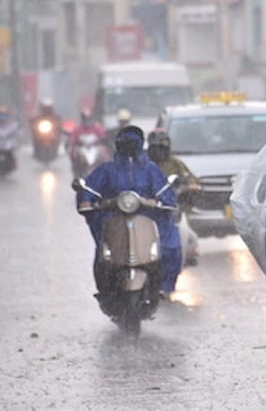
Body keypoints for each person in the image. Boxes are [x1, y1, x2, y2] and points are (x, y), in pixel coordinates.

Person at [76, 125, 182, 304]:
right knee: (104, 253)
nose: (129, 146)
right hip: (113, 217)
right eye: (126, 142)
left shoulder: (150, 169)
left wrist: (160, 202)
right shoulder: (108, 169)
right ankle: (105, 288)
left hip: (148, 216)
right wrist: (86, 201)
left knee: (170, 246)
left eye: (133, 142)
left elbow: (165, 192)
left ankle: (163, 284)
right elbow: (90, 188)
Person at [147, 128, 201, 268]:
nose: (160, 150)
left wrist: (188, 186)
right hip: (146, 210)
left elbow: (191, 180)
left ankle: (186, 255)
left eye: (163, 146)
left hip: (170, 210)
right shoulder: (142, 164)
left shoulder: (176, 164)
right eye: (156, 146)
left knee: (189, 237)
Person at [66, 108, 108, 176]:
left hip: (95, 147)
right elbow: (72, 138)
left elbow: (103, 136)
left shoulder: (97, 128)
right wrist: (72, 142)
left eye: (89, 118)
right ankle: (77, 174)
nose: (87, 121)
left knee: (104, 156)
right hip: (82, 148)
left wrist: (104, 140)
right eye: (85, 118)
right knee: (74, 155)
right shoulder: (78, 129)